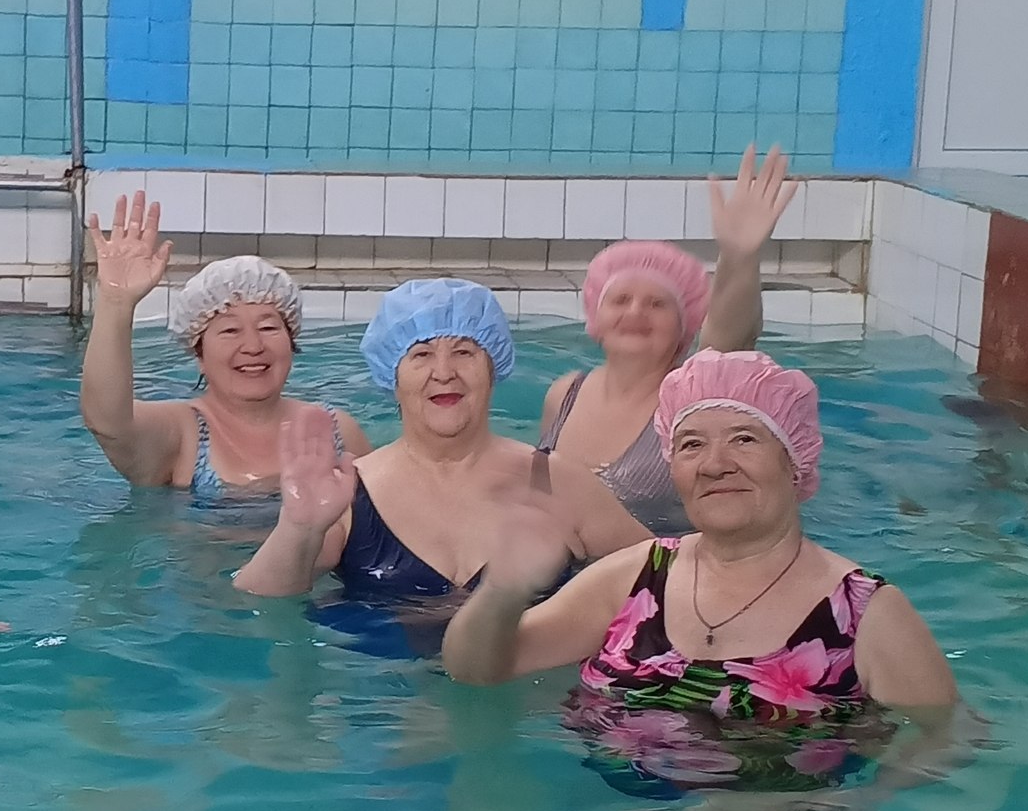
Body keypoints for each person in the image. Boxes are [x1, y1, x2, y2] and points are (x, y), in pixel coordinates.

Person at [443, 350, 956, 792]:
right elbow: (474, 670)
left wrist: (850, 807)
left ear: (795, 462)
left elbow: (945, 739)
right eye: (691, 444)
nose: (714, 464)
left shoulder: (864, 613)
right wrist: (504, 592)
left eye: (744, 439)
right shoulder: (637, 576)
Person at [233, 280, 641, 638]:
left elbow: (664, 573)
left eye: (464, 352)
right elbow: (260, 599)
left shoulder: (558, 481)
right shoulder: (348, 492)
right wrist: (299, 528)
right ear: (393, 378)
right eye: (421, 354)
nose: (444, 372)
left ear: (493, 370)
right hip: (380, 696)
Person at [533, 145, 797, 533]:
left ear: (683, 328)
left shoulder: (690, 398)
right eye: (620, 300)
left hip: (655, 568)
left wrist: (739, 258)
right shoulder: (564, 394)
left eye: (657, 304)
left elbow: (730, 339)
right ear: (596, 318)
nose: (635, 312)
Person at [79, 191, 371, 495]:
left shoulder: (336, 430)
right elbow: (107, 423)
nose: (253, 346)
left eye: (268, 327)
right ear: (199, 355)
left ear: (291, 341)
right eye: (230, 330)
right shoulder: (182, 434)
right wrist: (116, 302)